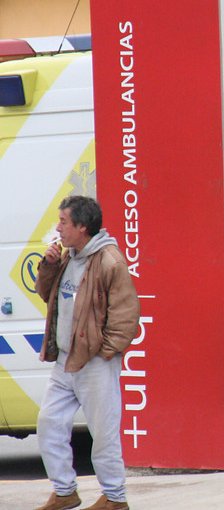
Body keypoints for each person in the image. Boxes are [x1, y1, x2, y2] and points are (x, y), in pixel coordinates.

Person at [34, 196, 140, 510]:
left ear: (82, 227)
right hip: (66, 360)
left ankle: (114, 498)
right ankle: (65, 492)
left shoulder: (109, 260)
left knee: (103, 433)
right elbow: (47, 295)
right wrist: (49, 267)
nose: (58, 228)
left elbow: (126, 315)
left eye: (64, 222)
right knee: (49, 423)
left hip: (95, 362)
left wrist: (105, 352)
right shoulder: (68, 257)